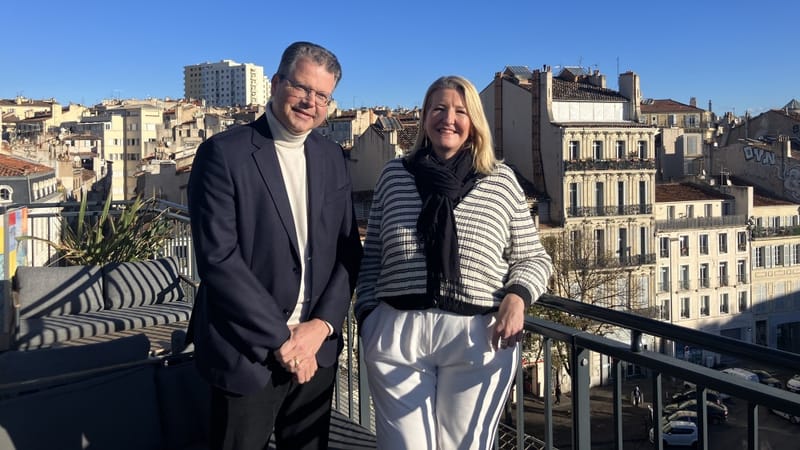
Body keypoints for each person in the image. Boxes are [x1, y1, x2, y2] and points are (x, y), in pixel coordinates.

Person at [354, 75, 553, 449]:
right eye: (439, 109)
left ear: (474, 121)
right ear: (425, 117)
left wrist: (517, 297)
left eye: (460, 111)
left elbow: (533, 257)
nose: (448, 118)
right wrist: (368, 318)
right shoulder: (394, 176)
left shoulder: (500, 181)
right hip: (398, 330)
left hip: (477, 335)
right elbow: (374, 256)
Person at [186, 41, 363, 450]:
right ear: (276, 82)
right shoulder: (223, 154)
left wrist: (320, 327)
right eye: (302, 88)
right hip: (246, 351)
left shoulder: (332, 156)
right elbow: (219, 260)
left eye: (322, 95)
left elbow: (347, 250)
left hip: (316, 351)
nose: (310, 102)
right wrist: (281, 340)